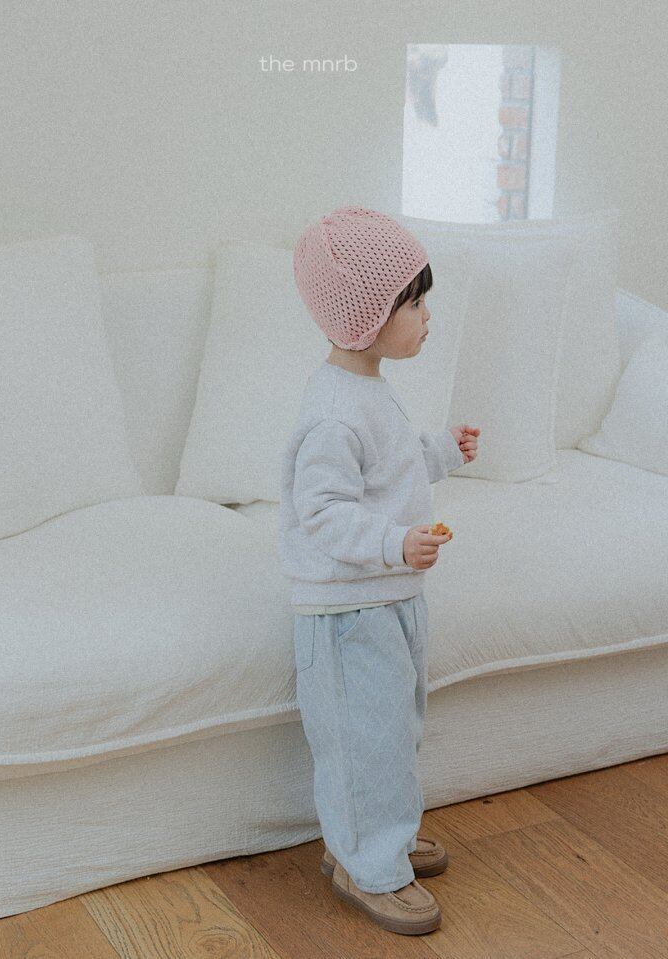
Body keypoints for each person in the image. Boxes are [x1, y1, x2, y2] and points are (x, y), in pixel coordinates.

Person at [278, 206, 480, 936]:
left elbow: (390, 464)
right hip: (348, 611)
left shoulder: (368, 389)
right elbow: (324, 511)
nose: (428, 317)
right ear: (367, 318)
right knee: (365, 741)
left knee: (395, 729)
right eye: (415, 304)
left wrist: (441, 451)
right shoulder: (333, 412)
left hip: (387, 598)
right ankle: (368, 864)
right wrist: (395, 543)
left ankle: (379, 837)